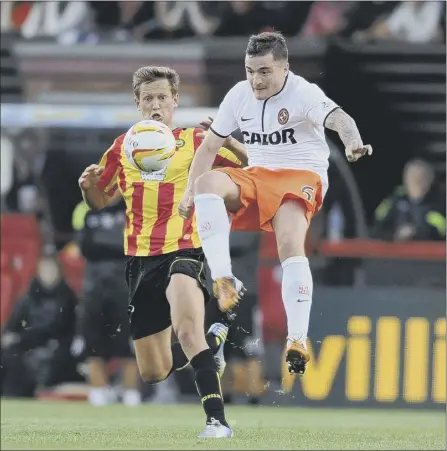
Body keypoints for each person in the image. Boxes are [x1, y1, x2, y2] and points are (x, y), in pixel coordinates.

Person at [178, 31, 372, 376]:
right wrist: (190, 193)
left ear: (285, 67)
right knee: (208, 183)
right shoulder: (238, 96)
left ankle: (297, 338)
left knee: (289, 243)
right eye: (250, 70)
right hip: (258, 175)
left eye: (264, 71)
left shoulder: (304, 93)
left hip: (301, 175)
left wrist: (353, 142)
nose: (256, 79)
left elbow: (341, 120)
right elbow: (208, 149)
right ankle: (225, 280)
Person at [78, 65, 247, 438]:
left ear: (175, 101)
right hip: (141, 260)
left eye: (162, 98)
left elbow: (252, 171)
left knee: (187, 330)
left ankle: (217, 422)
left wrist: (235, 147)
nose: (156, 105)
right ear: (137, 103)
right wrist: (87, 186)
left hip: (187, 250)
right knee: (153, 372)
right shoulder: (123, 147)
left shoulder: (197, 140)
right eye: (148, 98)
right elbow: (99, 200)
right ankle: (213, 342)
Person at [72, 194, 141, 406]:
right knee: (93, 341)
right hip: (94, 285)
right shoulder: (84, 207)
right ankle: (98, 392)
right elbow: (84, 247)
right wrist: (116, 240)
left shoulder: (134, 206)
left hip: (126, 285)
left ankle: (131, 394)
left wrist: (102, 240)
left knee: (128, 343)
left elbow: (136, 244)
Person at [1, 254, 82, 397]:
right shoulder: (28, 296)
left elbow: (55, 327)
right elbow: (14, 321)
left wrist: (20, 338)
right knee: (8, 354)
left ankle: (18, 394)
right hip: (25, 341)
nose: (48, 274)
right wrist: (8, 335)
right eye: (44, 270)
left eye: (51, 270)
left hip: (55, 344)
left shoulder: (67, 297)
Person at [373, 159, 445, 241]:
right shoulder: (395, 199)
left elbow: (441, 229)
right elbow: (378, 223)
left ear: (429, 180)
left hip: (425, 251)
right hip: (394, 251)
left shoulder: (437, 202)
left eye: (420, 177)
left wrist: (416, 231)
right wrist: (395, 234)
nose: (415, 181)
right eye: (411, 176)